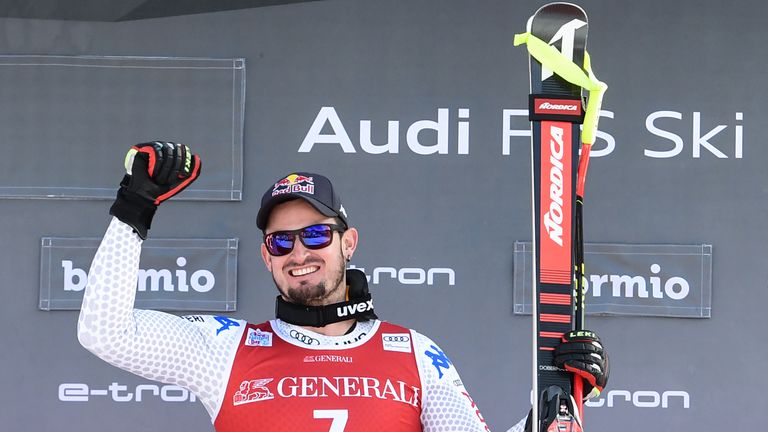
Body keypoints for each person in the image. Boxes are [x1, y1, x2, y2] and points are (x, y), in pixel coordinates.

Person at [77, 142, 608, 432]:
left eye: (314, 235)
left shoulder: (415, 354)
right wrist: (134, 209)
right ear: (266, 257)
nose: (299, 253)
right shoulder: (223, 350)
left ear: (348, 242)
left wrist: (555, 400)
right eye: (281, 242)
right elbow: (106, 331)